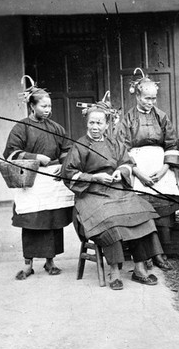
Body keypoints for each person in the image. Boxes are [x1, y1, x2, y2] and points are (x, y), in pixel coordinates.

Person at [61, 99, 165, 290]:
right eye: (91, 123)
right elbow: (68, 174)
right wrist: (94, 178)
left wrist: (121, 172)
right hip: (91, 196)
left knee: (143, 215)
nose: (95, 127)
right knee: (111, 220)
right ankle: (114, 270)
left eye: (99, 123)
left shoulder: (114, 142)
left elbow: (126, 163)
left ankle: (139, 268)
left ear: (107, 125)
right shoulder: (80, 146)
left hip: (116, 191)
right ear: (87, 123)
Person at [2, 76, 74, 280]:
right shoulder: (21, 127)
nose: (48, 109)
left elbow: (67, 149)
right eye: (43, 106)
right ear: (32, 106)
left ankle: (50, 261)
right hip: (31, 182)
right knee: (32, 221)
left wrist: (63, 164)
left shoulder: (56, 128)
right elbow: (10, 153)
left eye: (49, 106)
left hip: (51, 180)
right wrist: (35, 158)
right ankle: (28, 264)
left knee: (52, 220)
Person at [114, 69, 179, 271]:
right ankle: (148, 254)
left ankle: (161, 253)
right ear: (137, 96)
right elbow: (121, 148)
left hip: (160, 168)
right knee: (143, 211)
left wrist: (164, 169)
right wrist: (138, 173)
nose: (150, 102)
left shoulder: (162, 116)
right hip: (138, 168)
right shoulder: (127, 119)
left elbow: (171, 144)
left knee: (163, 208)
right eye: (146, 98)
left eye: (153, 98)